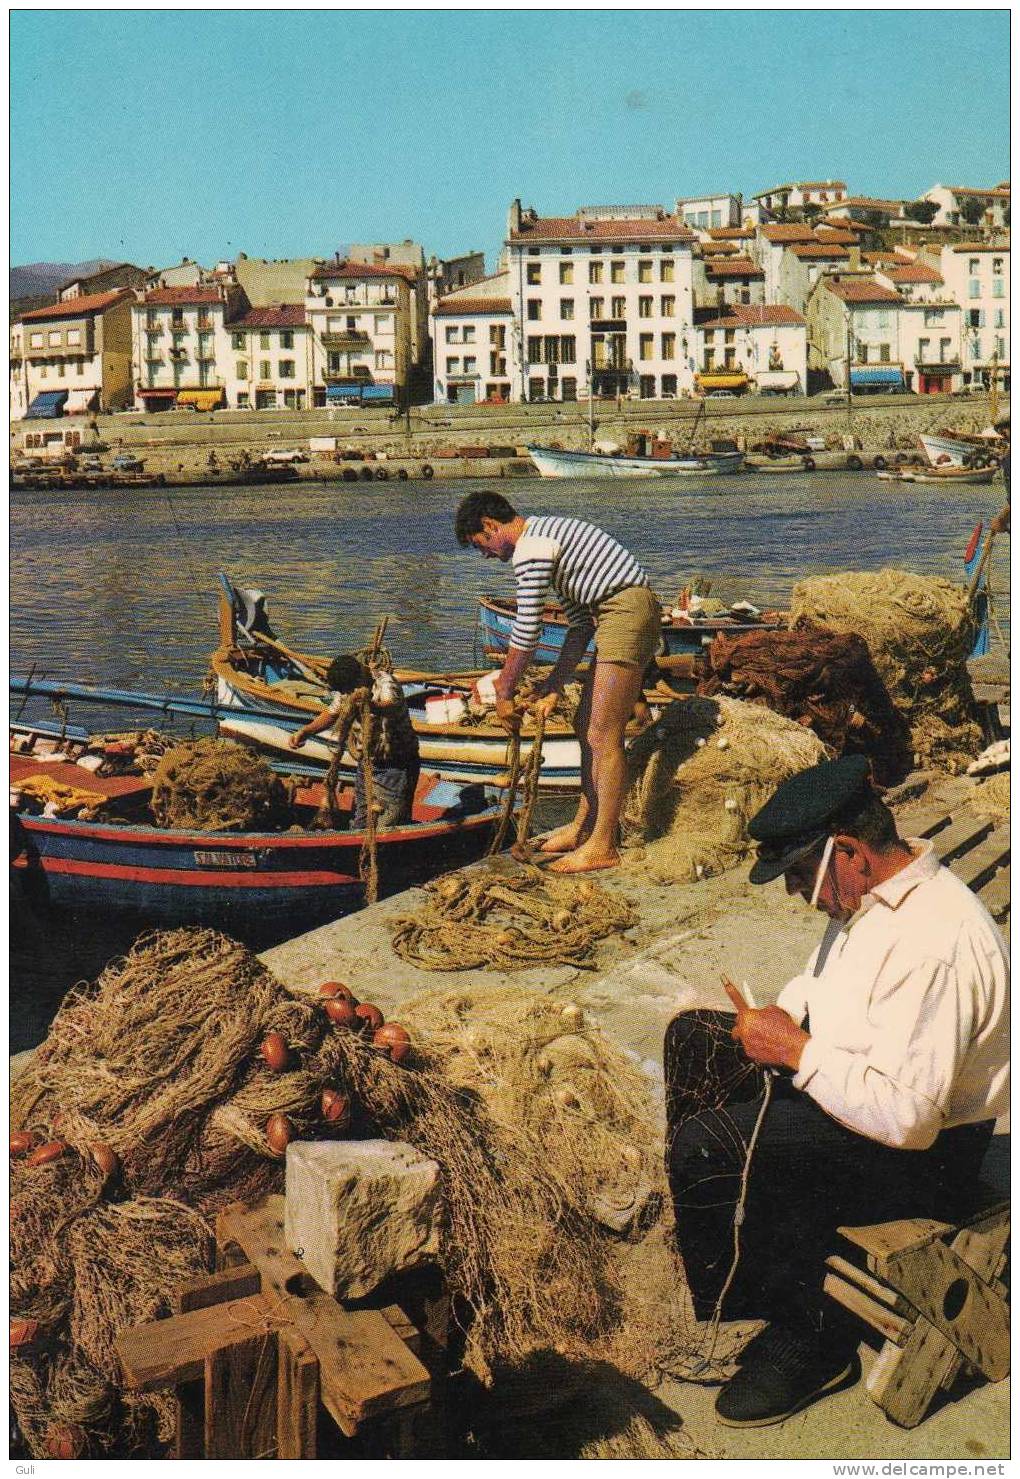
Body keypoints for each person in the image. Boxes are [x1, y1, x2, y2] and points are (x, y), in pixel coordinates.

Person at [665, 755, 1009, 1428]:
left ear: (848, 852)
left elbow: (908, 1118)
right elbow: (823, 987)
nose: (798, 892)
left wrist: (796, 1052)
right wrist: (784, 1021)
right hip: (866, 1099)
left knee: (709, 1146)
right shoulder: (872, 896)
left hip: (924, 1156)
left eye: (799, 874)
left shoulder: (935, 940)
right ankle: (748, 1276)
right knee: (695, 1040)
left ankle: (812, 1330)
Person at [454, 490, 661, 874]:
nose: (483, 554)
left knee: (604, 734)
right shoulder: (548, 540)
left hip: (626, 611)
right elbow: (580, 627)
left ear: (489, 525)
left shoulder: (531, 548)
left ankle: (602, 844)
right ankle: (584, 827)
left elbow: (527, 628)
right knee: (586, 726)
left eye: (479, 544)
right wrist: (553, 684)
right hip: (616, 613)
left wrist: (504, 691)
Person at [289, 655, 420, 828]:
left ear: (359, 678)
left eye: (349, 690)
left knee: (387, 823)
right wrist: (306, 731)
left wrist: (370, 704)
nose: (347, 695)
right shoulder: (348, 691)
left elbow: (391, 705)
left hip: (396, 766)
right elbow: (333, 713)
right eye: (344, 692)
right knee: (362, 820)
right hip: (367, 765)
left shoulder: (385, 683)